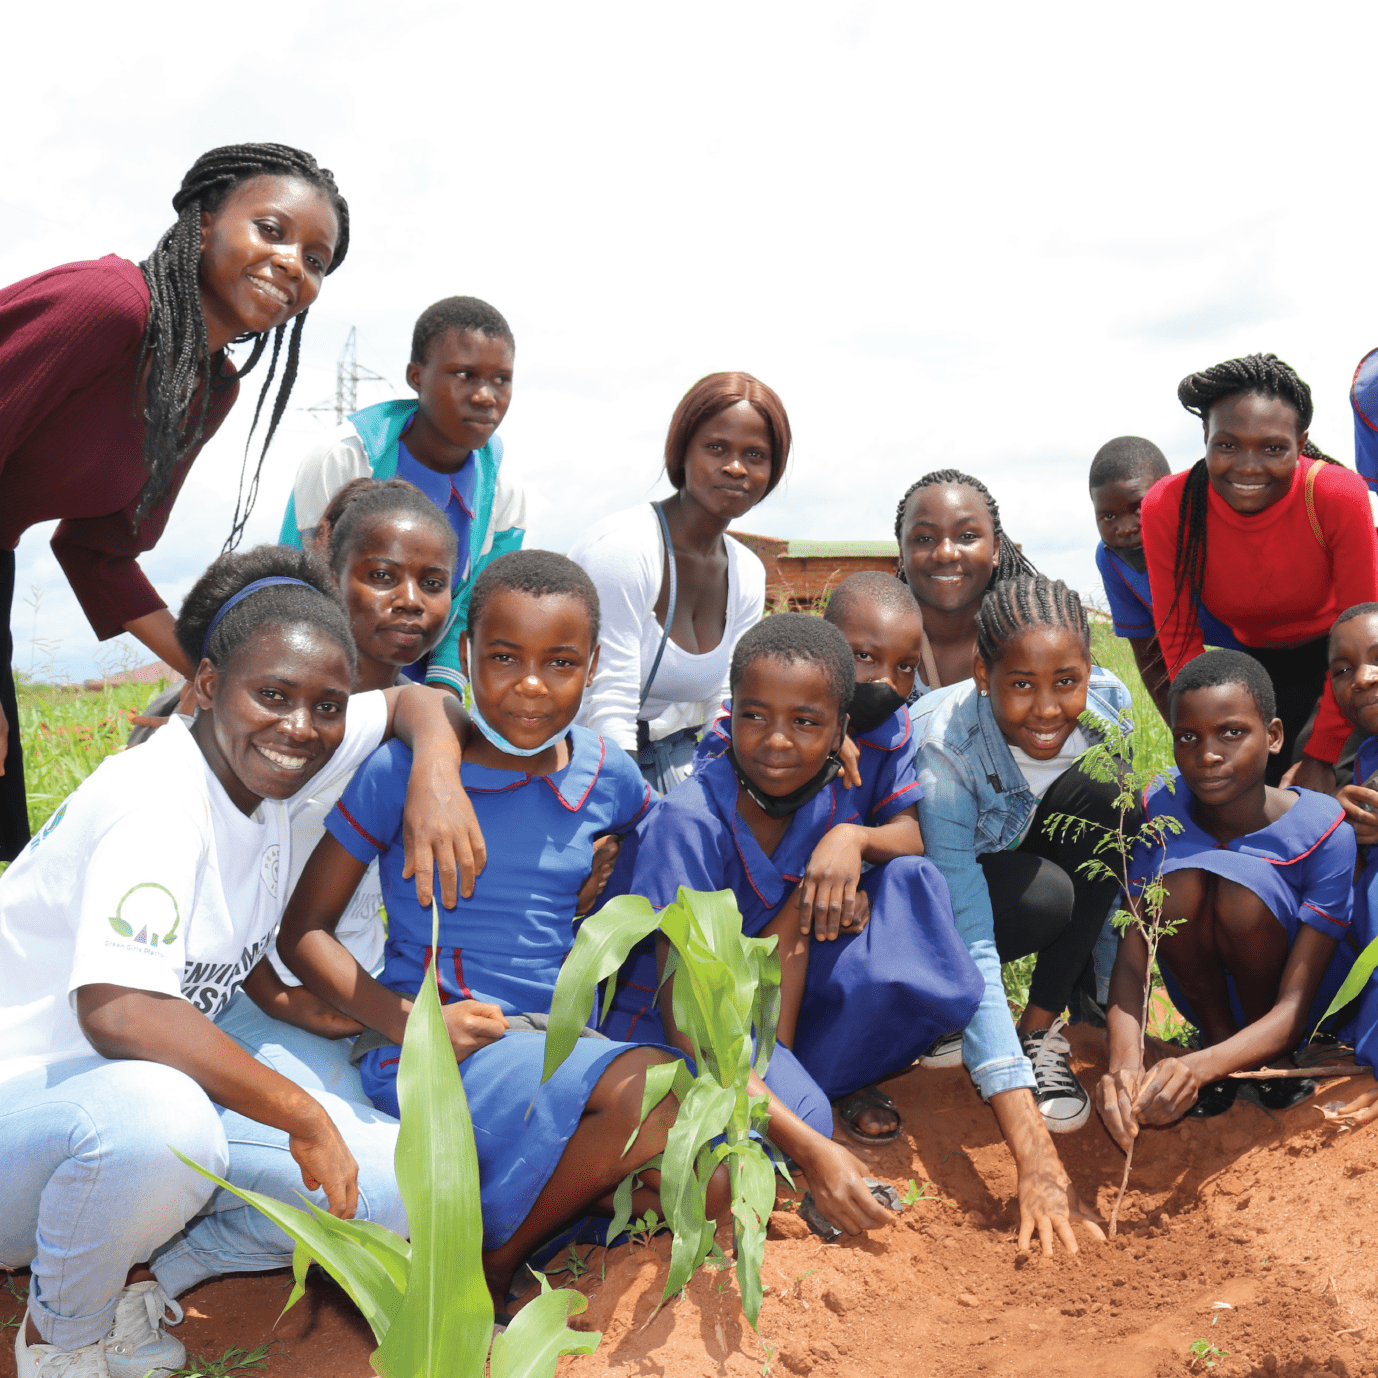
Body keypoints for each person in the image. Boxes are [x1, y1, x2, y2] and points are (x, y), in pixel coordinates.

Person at [0, 544, 485, 1378]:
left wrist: (437, 773)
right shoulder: (156, 800)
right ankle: (62, 1336)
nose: (301, 727)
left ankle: (144, 1278)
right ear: (204, 686)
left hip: (121, 1105)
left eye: (326, 706)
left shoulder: (264, 772)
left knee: (395, 1190)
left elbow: (411, 700)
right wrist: (300, 1112)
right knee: (158, 1122)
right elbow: (120, 1009)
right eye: (273, 695)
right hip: (36, 1112)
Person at [276, 550, 737, 1309]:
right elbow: (304, 931)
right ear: (465, 657)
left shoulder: (605, 772)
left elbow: (647, 860)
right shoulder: (407, 775)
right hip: (442, 1052)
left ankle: (521, 1210)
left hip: (565, 1051)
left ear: (592, 667)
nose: (530, 684)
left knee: (712, 1181)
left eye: (559, 662)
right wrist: (414, 1026)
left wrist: (608, 870)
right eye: (503, 658)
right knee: (656, 1099)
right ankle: (494, 1263)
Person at [0, 142, 349, 862]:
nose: (293, 264)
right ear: (202, 223)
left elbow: (99, 552)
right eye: (273, 231)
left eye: (316, 260)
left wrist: (213, 675)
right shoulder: (102, 305)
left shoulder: (209, 389)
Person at [599, 612, 983, 1154]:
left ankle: (797, 1089)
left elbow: (789, 941)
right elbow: (688, 1017)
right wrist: (809, 1148)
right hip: (664, 1031)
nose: (777, 741)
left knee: (803, 1114)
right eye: (755, 716)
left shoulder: (820, 800)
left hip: (747, 1012)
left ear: (840, 733)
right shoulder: (688, 823)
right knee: (782, 1135)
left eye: (805, 722)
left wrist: (778, 1062)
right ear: (729, 717)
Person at [222, 480, 463, 1098]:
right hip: (243, 991)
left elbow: (427, 705)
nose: (409, 601)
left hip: (362, 979)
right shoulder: (287, 724)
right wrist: (275, 996)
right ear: (333, 574)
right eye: (382, 576)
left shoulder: (423, 724)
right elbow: (213, 877)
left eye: (432, 583)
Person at [913, 575, 1131, 1253]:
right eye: (1021, 685)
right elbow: (970, 931)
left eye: (1067, 681)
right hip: (932, 908)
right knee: (1044, 897)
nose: (1047, 708)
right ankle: (944, 1019)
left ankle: (1039, 1030)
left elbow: (1110, 861)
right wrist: (1034, 1158)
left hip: (1020, 855)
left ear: (1090, 672)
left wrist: (1110, 1020)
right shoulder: (942, 753)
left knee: (1110, 794)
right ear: (982, 673)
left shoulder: (1109, 710)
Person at [1095, 650, 1357, 1148]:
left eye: (1232, 733)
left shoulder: (1322, 830)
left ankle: (1263, 1064)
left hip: (1288, 1013)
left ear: (1274, 736)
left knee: (1240, 891)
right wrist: (1124, 1065)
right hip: (1205, 1001)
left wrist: (1193, 1069)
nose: (1208, 754)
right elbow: (1132, 960)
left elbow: (1295, 1006)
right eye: (1188, 737)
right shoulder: (1159, 809)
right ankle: (1217, 1041)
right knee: (1179, 883)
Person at [1141, 353, 1378, 791]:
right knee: (1238, 795)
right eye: (1227, 445)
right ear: (1205, 435)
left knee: (1341, 794)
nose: (1248, 467)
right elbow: (1178, 639)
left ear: (1300, 439)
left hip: (1344, 665)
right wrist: (1212, 733)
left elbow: (1364, 638)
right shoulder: (1169, 507)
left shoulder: (1335, 495)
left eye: (1273, 448)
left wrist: (1321, 755)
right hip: (1254, 667)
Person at [279, 296, 526, 695]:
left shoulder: (503, 495)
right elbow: (300, 583)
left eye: (501, 379)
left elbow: (470, 611)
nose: (486, 396)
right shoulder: (346, 458)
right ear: (416, 376)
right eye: (464, 374)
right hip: (320, 677)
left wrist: (437, 699)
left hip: (420, 688)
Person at [567, 372, 791, 792]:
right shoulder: (624, 550)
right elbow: (607, 703)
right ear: (681, 451)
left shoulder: (746, 572)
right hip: (581, 761)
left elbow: (725, 701)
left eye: (756, 455)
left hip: (671, 759)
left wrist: (714, 796)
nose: (736, 467)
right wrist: (638, 817)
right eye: (716, 447)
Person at [1089, 435, 1244, 721]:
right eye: (1108, 516)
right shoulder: (1112, 560)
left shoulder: (1210, 527)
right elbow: (1150, 657)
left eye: (1138, 507)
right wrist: (1183, 731)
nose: (1125, 528)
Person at [893, 469, 1037, 699]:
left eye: (967, 536)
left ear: (995, 549)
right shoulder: (873, 644)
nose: (946, 554)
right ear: (902, 552)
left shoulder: (1031, 642)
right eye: (924, 538)